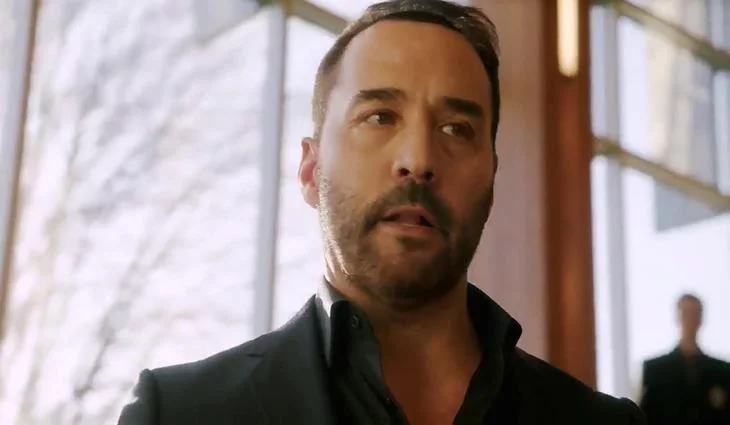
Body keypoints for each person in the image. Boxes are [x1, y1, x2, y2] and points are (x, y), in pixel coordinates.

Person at [118, 1, 644, 423]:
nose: (418, 160)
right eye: (379, 117)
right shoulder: (180, 413)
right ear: (311, 169)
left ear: (491, 180)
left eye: (456, 128)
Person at [640, 294, 730, 425]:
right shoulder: (655, 370)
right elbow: (646, 415)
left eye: (695, 314)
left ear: (701, 319)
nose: (690, 320)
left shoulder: (722, 371)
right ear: (678, 317)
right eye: (686, 314)